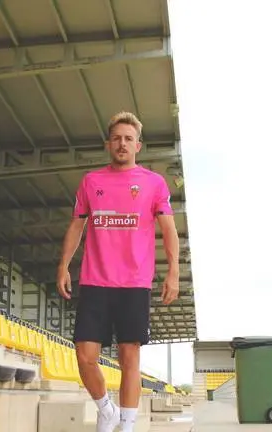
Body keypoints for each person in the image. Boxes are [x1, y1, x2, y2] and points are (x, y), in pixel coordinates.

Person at [56, 111, 180, 432]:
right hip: (95, 281)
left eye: (128, 139)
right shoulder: (91, 181)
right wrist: (64, 265)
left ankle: (126, 425)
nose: (122, 143)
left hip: (134, 283)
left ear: (138, 145)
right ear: (108, 144)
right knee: (85, 356)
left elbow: (169, 230)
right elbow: (77, 225)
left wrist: (173, 272)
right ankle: (106, 409)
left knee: (129, 357)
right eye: (116, 138)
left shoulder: (154, 183)